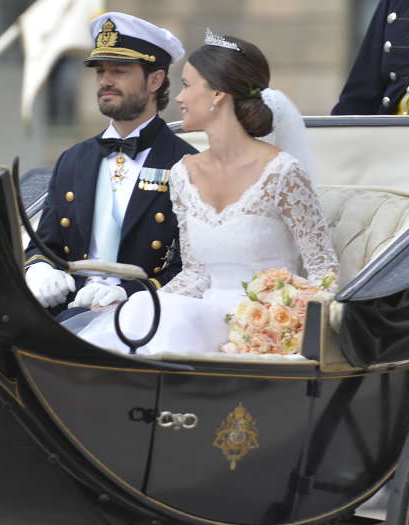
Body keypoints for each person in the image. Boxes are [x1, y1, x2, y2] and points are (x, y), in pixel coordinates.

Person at [76, 31, 339, 355]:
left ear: (217, 94)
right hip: (201, 318)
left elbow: (323, 271)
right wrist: (146, 302)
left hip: (261, 327)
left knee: (172, 317)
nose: (179, 99)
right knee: (146, 306)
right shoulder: (184, 173)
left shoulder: (283, 173)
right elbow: (196, 274)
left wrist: (288, 327)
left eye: (187, 86)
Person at [24, 13, 197, 315]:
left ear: (155, 79)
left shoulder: (189, 163)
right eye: (100, 71)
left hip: (145, 320)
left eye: (119, 71)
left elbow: (192, 269)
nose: (105, 81)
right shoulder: (73, 158)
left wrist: (126, 292)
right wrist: (39, 270)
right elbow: (44, 245)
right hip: (66, 315)